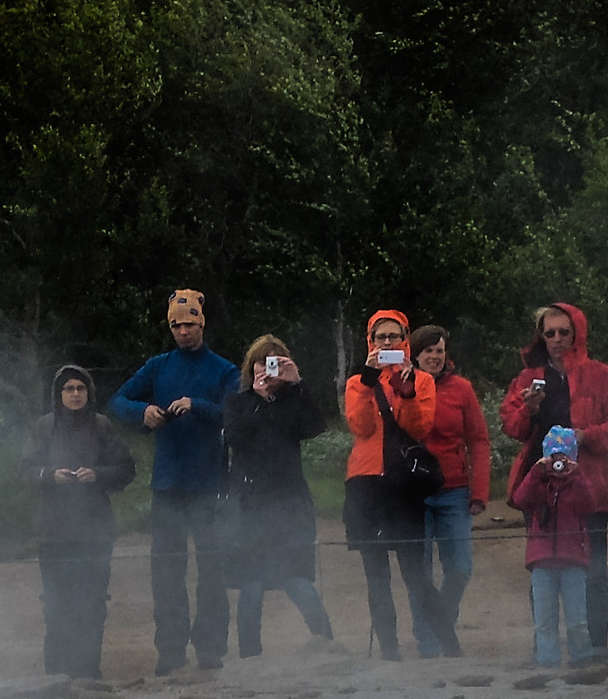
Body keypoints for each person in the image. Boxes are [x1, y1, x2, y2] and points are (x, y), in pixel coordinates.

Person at [111, 289, 237, 674]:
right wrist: (143, 412)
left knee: (212, 569)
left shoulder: (224, 370)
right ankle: (170, 649)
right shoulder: (158, 366)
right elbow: (118, 401)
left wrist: (197, 405)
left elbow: (235, 414)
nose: (183, 331)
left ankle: (210, 648)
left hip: (208, 483)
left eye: (190, 323)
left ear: (202, 322)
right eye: (176, 325)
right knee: (166, 572)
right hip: (166, 484)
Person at [502, 302, 608, 660]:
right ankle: (545, 648)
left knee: (594, 571)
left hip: (588, 488)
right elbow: (510, 427)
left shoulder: (601, 375)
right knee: (542, 569)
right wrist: (528, 409)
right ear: (541, 337)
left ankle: (595, 647)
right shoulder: (527, 378)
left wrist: (585, 435)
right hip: (539, 489)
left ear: (578, 332)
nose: (557, 338)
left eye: (564, 331)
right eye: (550, 333)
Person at [21, 364, 135, 679]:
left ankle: (88, 671)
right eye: (69, 389)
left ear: (89, 393)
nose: (75, 394)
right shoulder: (44, 427)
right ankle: (56, 673)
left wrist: (97, 474)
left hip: (95, 532)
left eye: (80, 388)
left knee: (92, 604)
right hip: (54, 532)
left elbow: (126, 469)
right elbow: (25, 470)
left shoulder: (102, 426)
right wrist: (49, 476)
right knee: (56, 604)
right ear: (59, 394)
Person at [225, 335, 335, 659]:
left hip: (290, 503)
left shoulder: (293, 399)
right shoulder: (238, 402)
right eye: (262, 362)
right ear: (251, 367)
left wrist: (298, 384)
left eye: (275, 362)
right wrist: (259, 400)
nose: (268, 369)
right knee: (252, 584)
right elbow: (235, 438)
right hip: (250, 505)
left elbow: (314, 427)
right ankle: (250, 657)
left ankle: (328, 645)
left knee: (296, 579)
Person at [344, 308, 441, 660]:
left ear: (405, 340)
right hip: (366, 483)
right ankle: (389, 648)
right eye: (380, 337)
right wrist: (369, 381)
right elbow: (361, 427)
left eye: (394, 337)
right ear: (370, 342)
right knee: (376, 575)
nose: (387, 343)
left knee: (415, 573)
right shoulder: (357, 382)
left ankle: (447, 640)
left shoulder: (423, 381)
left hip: (404, 484)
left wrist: (408, 391)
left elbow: (419, 429)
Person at [411, 326, 489, 659]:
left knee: (460, 567)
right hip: (412, 491)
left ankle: (442, 622)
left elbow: (479, 440)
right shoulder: (402, 387)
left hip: (454, 489)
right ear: (415, 354)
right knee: (419, 571)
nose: (434, 356)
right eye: (428, 350)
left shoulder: (462, 389)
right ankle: (428, 643)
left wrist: (480, 491)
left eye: (439, 350)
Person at [510, 426, 592, 666]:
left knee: (577, 619)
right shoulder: (539, 482)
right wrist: (536, 473)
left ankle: (581, 659)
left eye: (563, 457)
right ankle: (547, 662)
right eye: (554, 457)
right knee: (544, 620)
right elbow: (520, 499)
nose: (558, 464)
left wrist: (576, 475)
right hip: (542, 562)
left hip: (573, 560)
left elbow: (589, 504)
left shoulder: (577, 482)